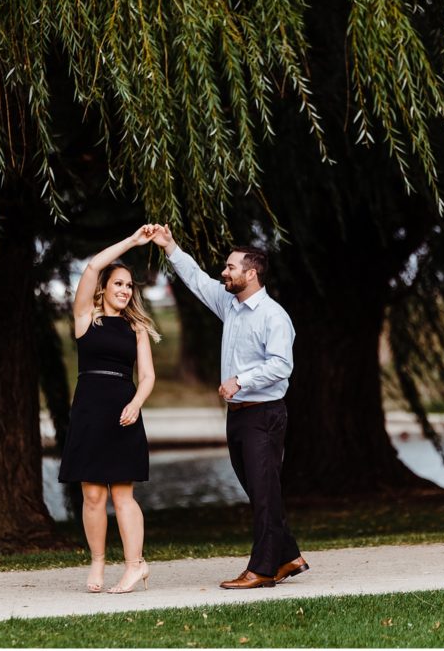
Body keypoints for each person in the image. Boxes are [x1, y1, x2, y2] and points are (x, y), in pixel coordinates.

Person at [151, 225, 308, 589]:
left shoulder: (273, 316)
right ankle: (289, 556)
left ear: (251, 274)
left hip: (264, 415)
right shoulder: (230, 305)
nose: (224, 272)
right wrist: (170, 246)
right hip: (238, 416)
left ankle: (263, 569)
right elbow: (196, 280)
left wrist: (241, 380)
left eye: (231, 267)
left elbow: (281, 366)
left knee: (264, 493)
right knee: (259, 490)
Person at [58, 225, 161, 594]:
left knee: (122, 494)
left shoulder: (136, 327)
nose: (125, 290)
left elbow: (147, 376)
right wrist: (132, 241)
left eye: (129, 286)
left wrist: (136, 403)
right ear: (103, 288)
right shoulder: (86, 317)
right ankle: (98, 561)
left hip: (123, 411)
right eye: (118, 283)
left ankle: (135, 565)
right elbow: (91, 268)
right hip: (88, 410)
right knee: (92, 495)